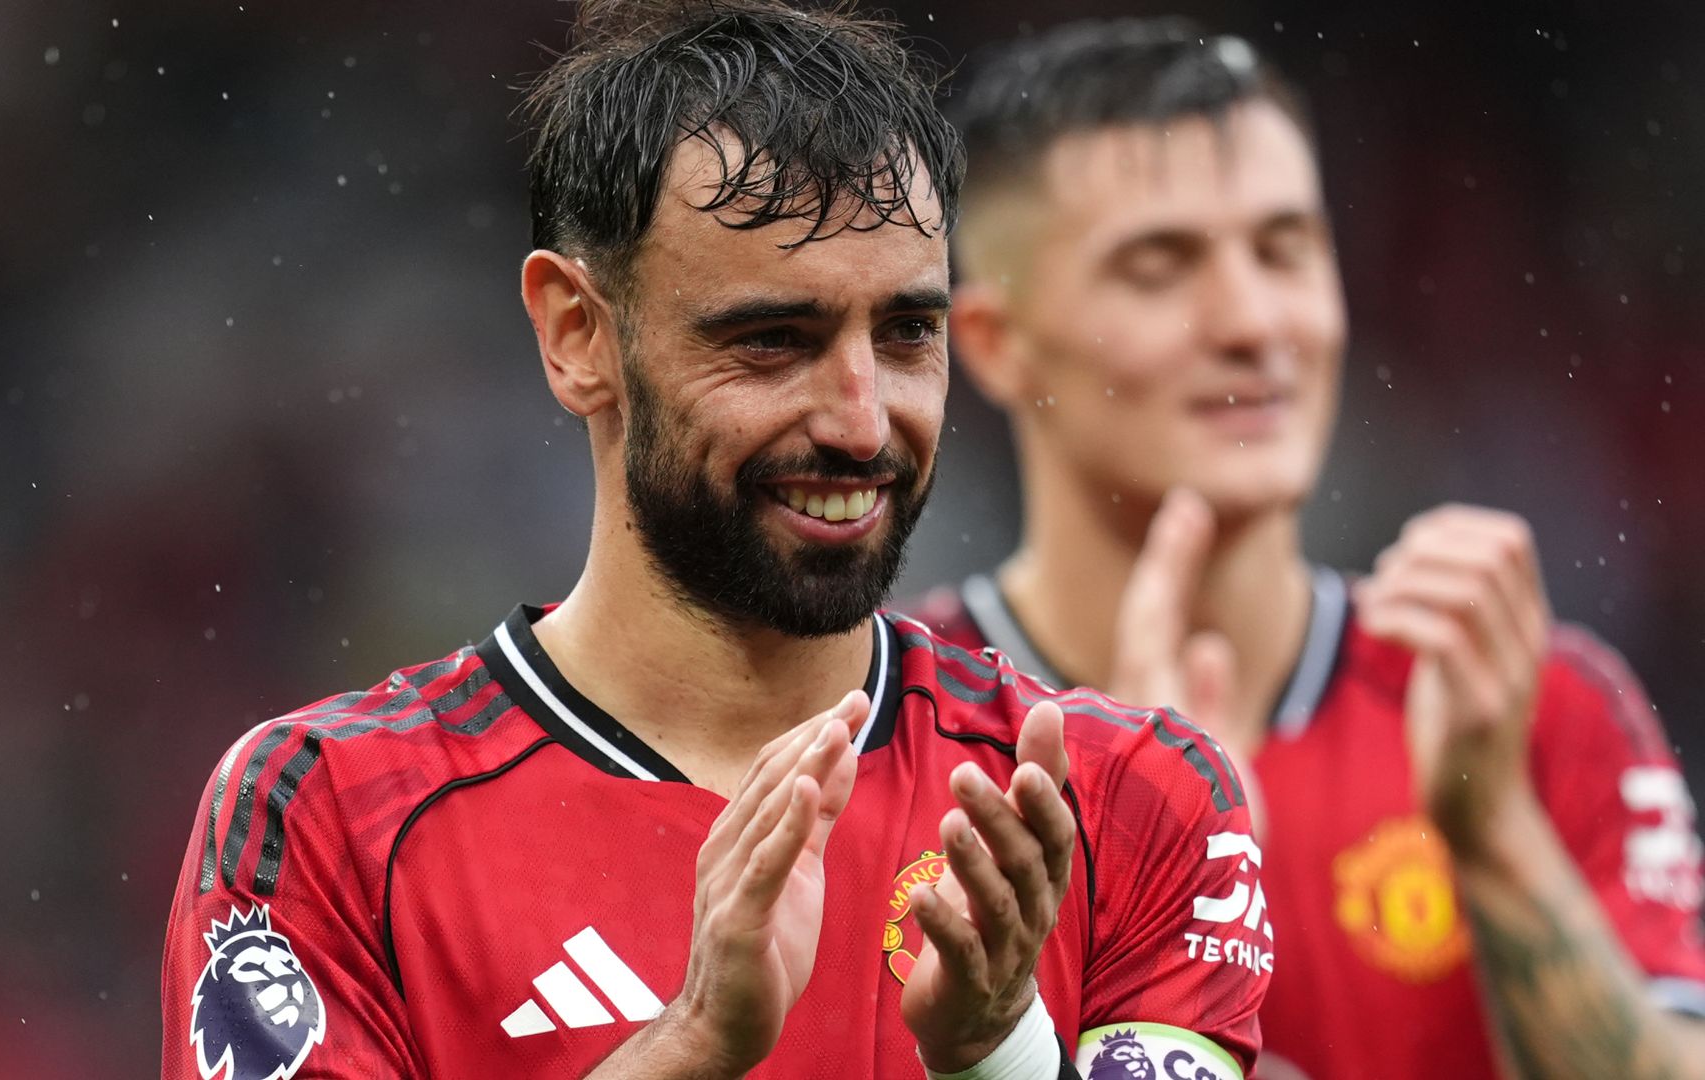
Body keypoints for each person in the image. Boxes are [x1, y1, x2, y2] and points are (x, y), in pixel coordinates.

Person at [159, 3, 1270, 1079]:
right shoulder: (327, 820)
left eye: (905, 334)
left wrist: (1001, 1054)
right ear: (577, 335)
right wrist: (689, 1048)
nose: (862, 422)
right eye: (774, 340)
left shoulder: (1129, 803)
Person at [903, 18, 1705, 1080]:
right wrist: (1149, 871)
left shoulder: (1531, 706)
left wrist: (1496, 835)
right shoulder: (887, 735)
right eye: (1159, 266)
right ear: (995, 343)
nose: (1252, 321)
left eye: (1285, 249)